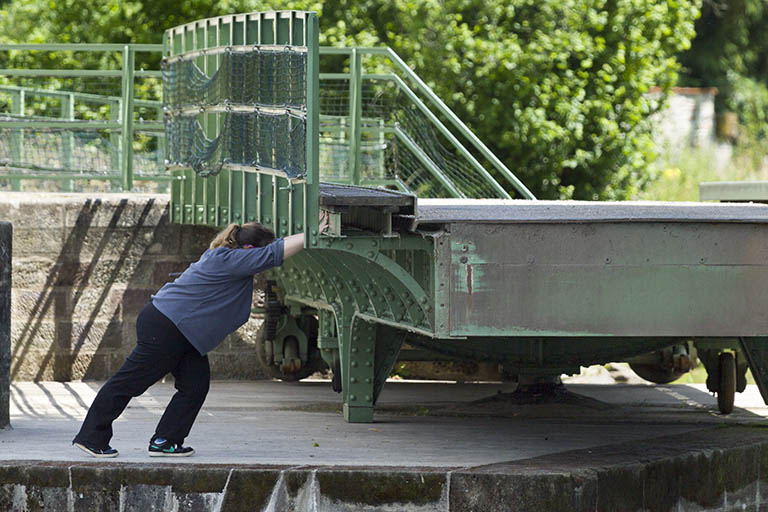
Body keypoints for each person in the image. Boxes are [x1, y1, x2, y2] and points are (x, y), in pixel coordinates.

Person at [72, 213, 328, 458]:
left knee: (195, 385)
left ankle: (165, 441)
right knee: (130, 382)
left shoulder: (228, 259)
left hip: (181, 331)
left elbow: (267, 255)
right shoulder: (229, 259)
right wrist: (311, 234)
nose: (261, 263)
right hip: (168, 326)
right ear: (250, 249)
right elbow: (274, 253)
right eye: (259, 253)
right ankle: (91, 437)